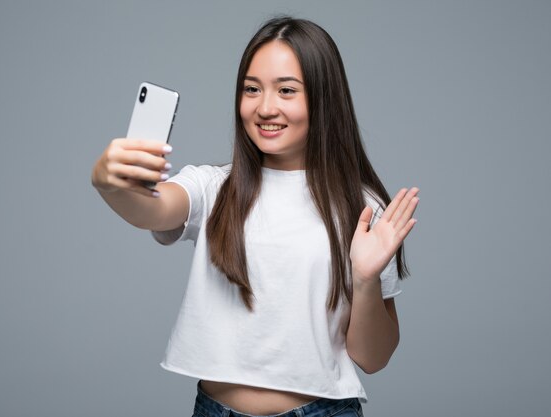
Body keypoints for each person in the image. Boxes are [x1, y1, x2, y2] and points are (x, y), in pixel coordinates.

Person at [92, 16, 419, 417]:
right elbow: (152, 210)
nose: (265, 107)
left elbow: (373, 358)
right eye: (251, 89)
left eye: (286, 90)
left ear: (323, 98)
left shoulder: (361, 208)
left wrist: (366, 280)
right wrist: (111, 184)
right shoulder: (214, 187)